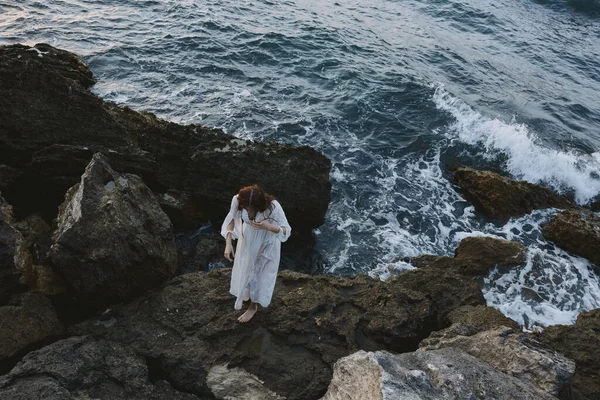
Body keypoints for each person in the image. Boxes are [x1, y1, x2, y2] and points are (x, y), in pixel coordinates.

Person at [221, 184, 291, 322]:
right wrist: (228, 243)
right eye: (246, 208)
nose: (248, 210)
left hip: (267, 243)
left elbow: (286, 230)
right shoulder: (237, 200)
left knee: (260, 275)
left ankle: (253, 307)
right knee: (246, 270)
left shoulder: (273, 207)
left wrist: (268, 226)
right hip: (248, 241)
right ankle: (245, 295)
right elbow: (231, 220)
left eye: (252, 208)